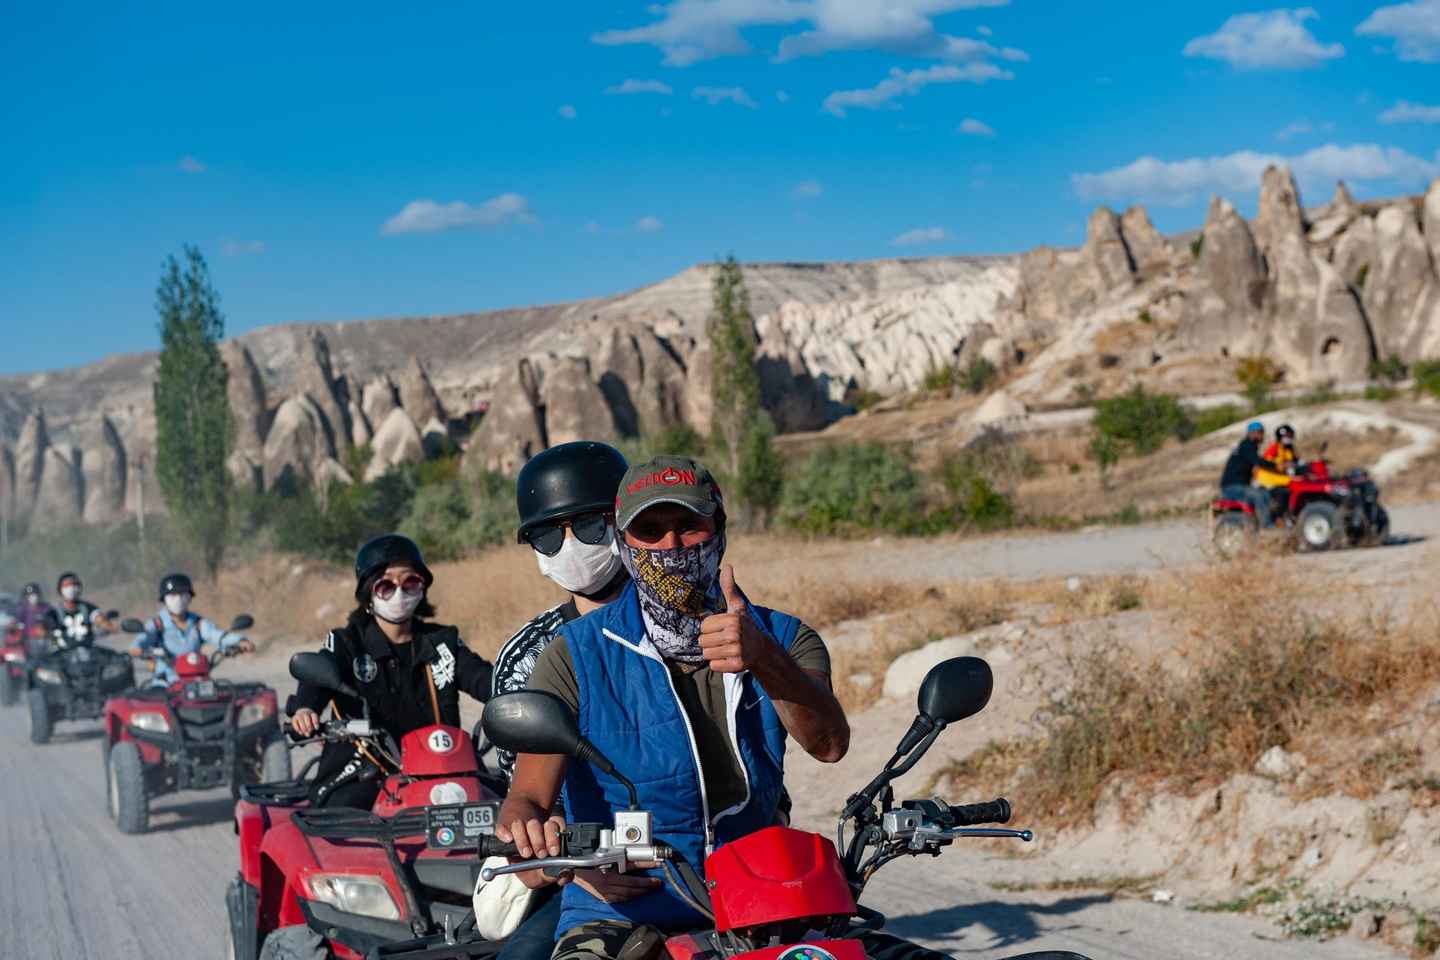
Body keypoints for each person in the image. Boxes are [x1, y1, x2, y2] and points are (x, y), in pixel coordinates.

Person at [497, 455, 850, 960]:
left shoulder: (785, 637)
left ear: (719, 529)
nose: (672, 546)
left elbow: (831, 744)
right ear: (624, 543)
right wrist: (534, 834)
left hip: (765, 897)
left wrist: (763, 658)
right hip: (624, 909)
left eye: (688, 526)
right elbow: (526, 797)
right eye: (650, 531)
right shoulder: (573, 655)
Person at [491, 441, 634, 960]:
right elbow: (523, 807)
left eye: (591, 527)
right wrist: (568, 862)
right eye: (550, 535)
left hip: (715, 861)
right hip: (589, 880)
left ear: (623, 522)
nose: (571, 546)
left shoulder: (692, 626)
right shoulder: (528, 658)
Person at [286, 534, 494, 809]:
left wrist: (518, 695)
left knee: (505, 806)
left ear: (422, 588)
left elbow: (487, 680)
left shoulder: (443, 642)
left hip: (443, 767)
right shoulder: (346, 643)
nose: (400, 592)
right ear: (368, 593)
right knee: (343, 825)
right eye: (386, 585)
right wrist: (304, 710)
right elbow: (315, 682)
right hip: (364, 770)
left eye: (410, 582)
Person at [128, 573, 254, 685]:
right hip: (164, 685)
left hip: (197, 682)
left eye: (183, 595)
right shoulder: (157, 624)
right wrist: (139, 650)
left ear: (190, 597)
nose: (178, 599)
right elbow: (140, 641)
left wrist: (240, 641)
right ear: (164, 599)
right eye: (172, 595)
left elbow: (217, 635)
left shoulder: (198, 623)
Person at [1219, 421, 1282, 529]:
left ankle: (1269, 521)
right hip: (1231, 487)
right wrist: (1276, 466)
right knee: (1257, 495)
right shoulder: (1247, 445)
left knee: (1265, 493)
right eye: (1260, 433)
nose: (1262, 436)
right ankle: (1266, 526)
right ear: (1251, 433)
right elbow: (1258, 461)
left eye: (1262, 432)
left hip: (1240, 486)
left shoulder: (1249, 446)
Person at [42, 571, 113, 650]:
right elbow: (42, 629)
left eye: (74, 584)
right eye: (67, 585)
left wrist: (106, 625)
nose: (71, 588)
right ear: (60, 589)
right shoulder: (54, 613)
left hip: (88, 652)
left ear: (79, 587)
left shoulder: (88, 608)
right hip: (62, 655)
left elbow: (100, 619)